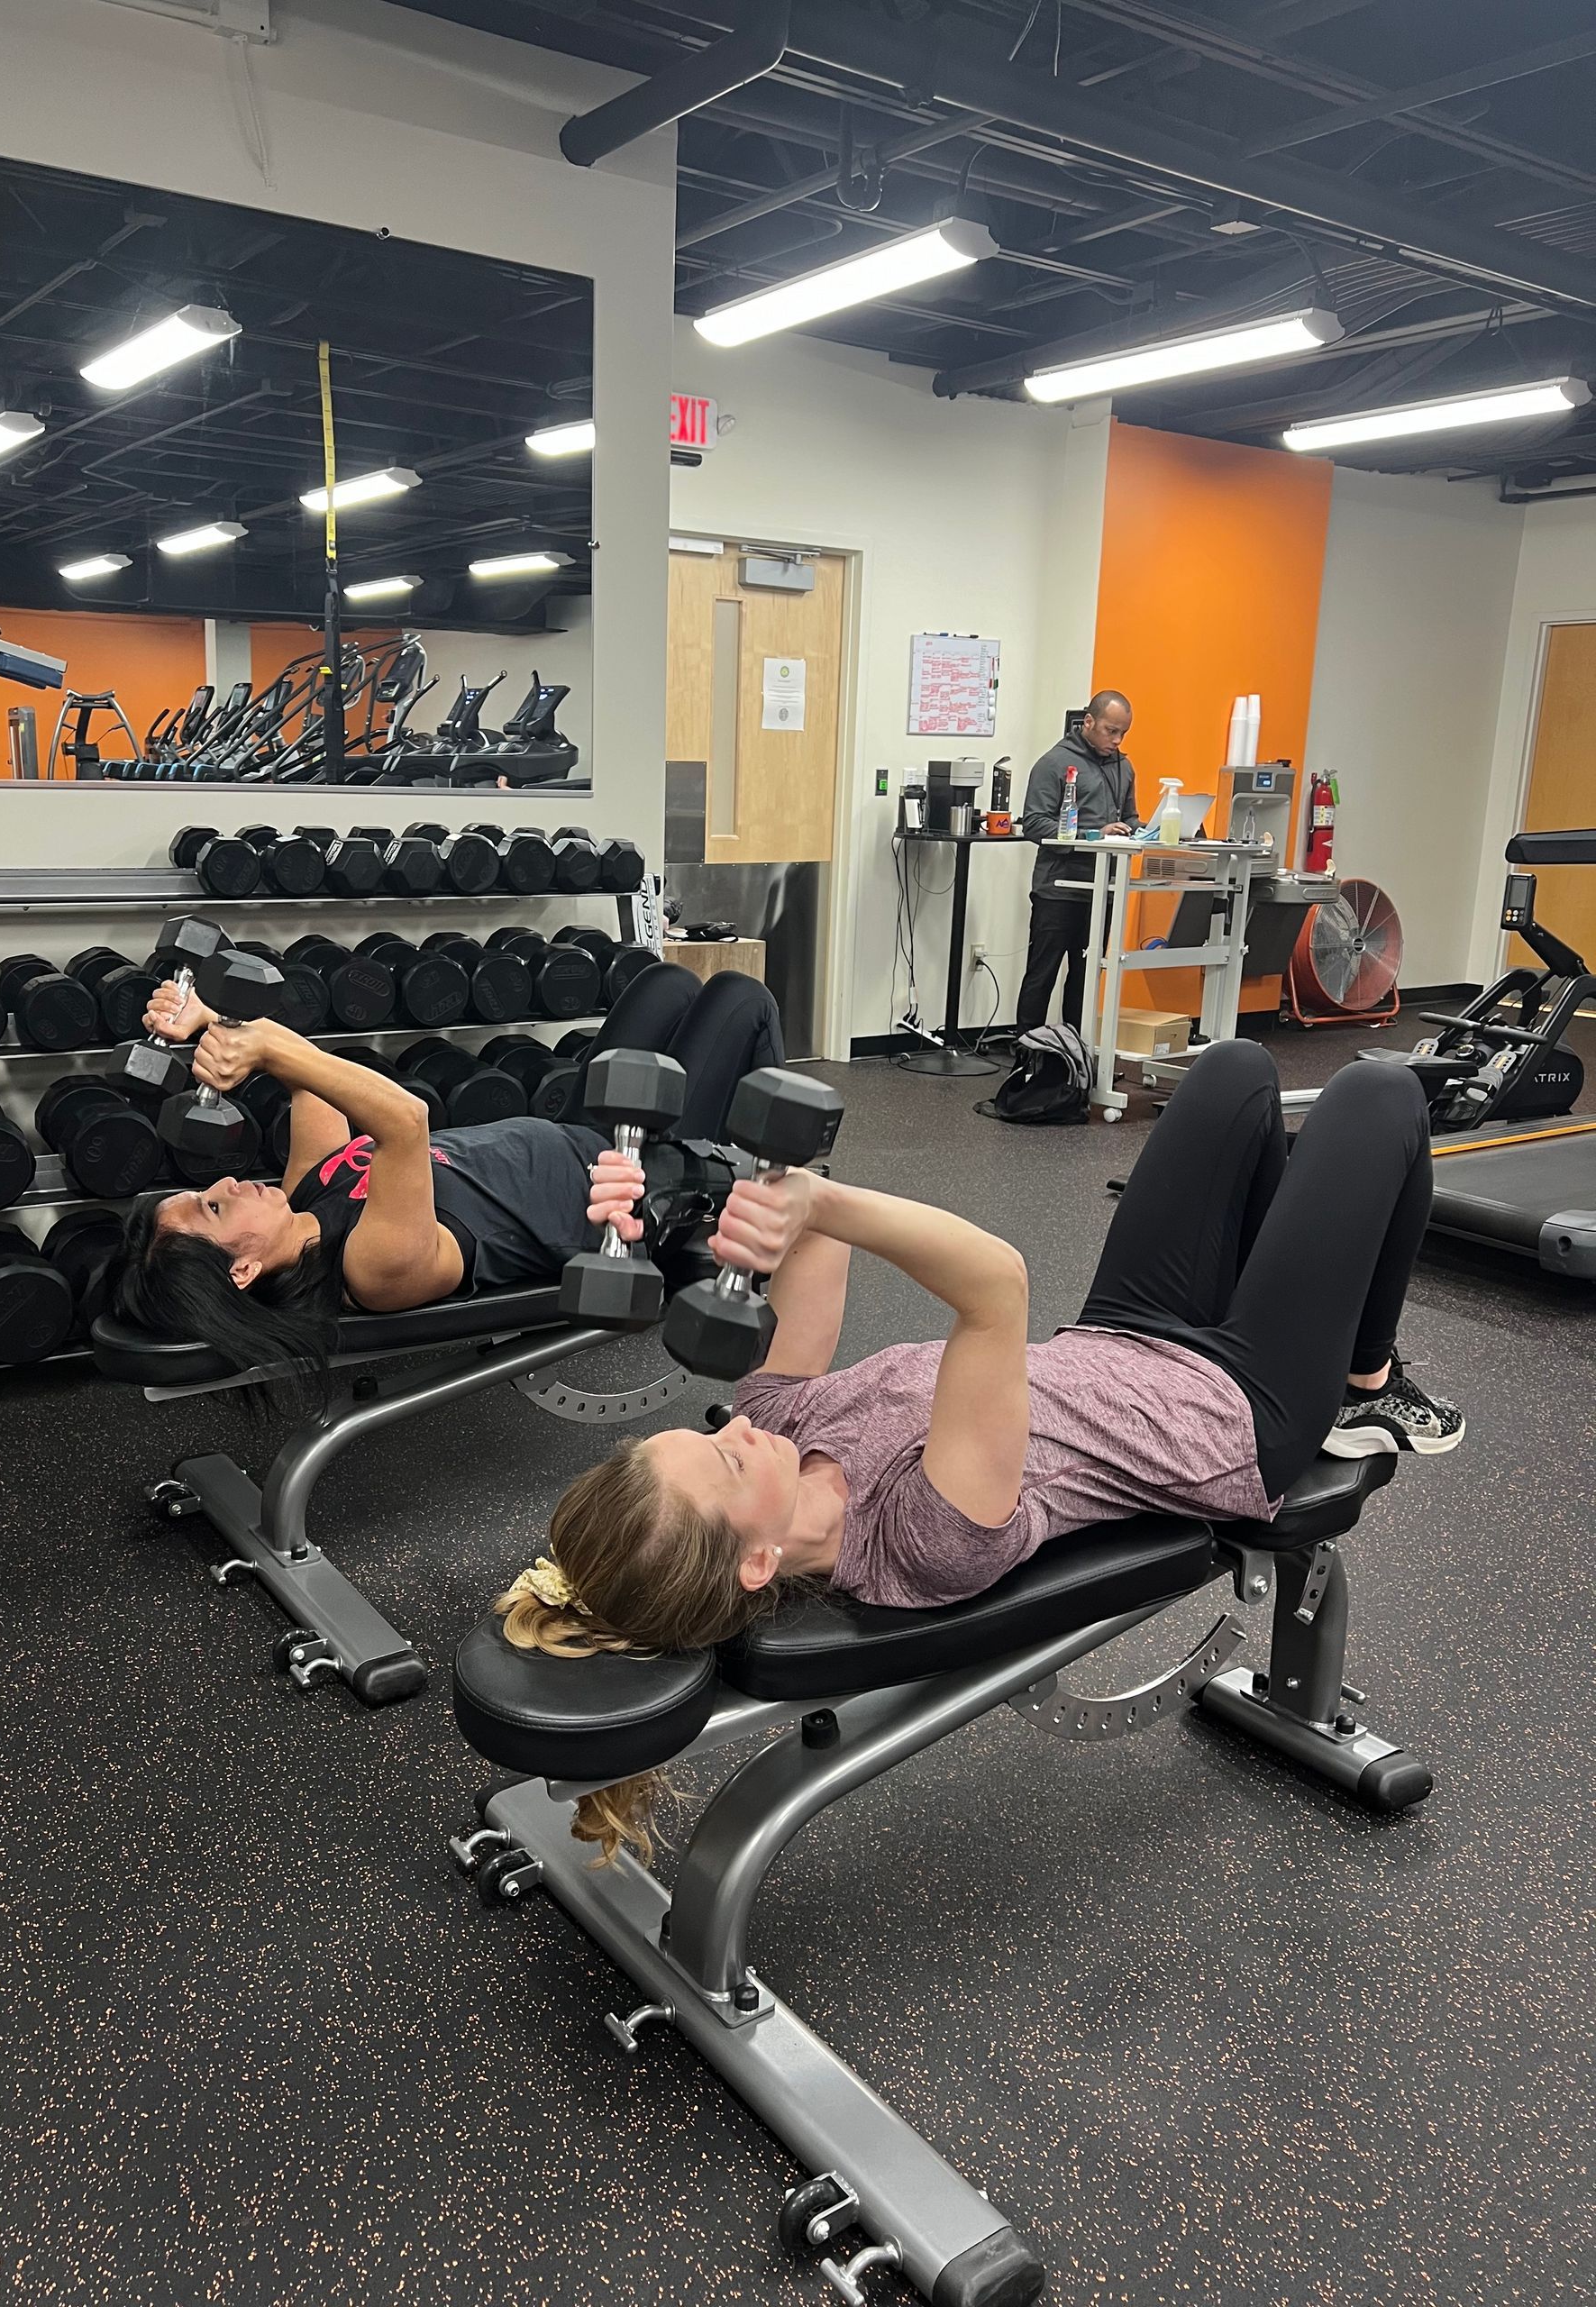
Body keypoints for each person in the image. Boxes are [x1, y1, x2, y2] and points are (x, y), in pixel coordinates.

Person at [497, 1042, 1463, 1859]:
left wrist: (681, 1201)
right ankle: (1367, 1386)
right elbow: (994, 1284)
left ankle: (1326, 1317)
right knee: (1380, 1093)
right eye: (731, 1461)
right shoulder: (922, 1540)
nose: (739, 1428)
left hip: (1122, 1334)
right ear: (756, 1561)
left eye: (714, 1434)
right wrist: (817, 1211)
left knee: (1237, 1070)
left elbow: (811, 1230)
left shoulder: (779, 1423)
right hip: (1236, 1411)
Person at [112, 962, 784, 1387]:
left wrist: (213, 1023)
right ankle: (772, 1185)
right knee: (740, 998)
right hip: (629, 1180)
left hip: (577, 1129)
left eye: (206, 1192)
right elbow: (405, 1119)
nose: (226, 1185)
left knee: (665, 985)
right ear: (242, 1271)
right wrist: (260, 1045)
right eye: (214, 1211)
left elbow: (309, 1081)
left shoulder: (303, 1195)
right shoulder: (370, 1269)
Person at [1016, 691, 1138, 1031]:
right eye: (1110, 731)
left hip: (1102, 891)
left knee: (1086, 980)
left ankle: (1078, 1059)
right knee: (1042, 975)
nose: (1116, 740)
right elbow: (1035, 823)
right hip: (1058, 889)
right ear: (1088, 722)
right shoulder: (1053, 763)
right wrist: (1093, 834)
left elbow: (1130, 817)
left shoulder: (1123, 767)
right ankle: (1029, 1059)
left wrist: (1155, 831)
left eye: (1123, 733)